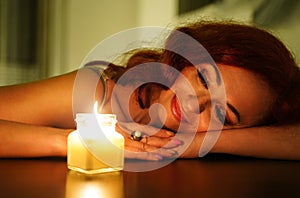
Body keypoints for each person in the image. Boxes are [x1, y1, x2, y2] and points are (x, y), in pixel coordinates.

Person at [0, 20, 299, 160]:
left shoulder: (213, 145)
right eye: (204, 79)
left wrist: (200, 145)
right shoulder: (100, 91)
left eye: (222, 113)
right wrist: (75, 141)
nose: (194, 102)